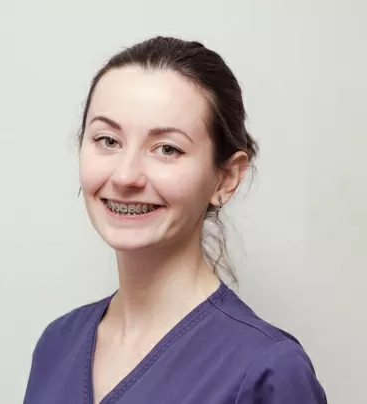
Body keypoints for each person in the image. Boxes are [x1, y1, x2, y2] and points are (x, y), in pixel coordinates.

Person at [23, 36, 327, 404]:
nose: (126, 176)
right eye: (108, 140)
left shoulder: (268, 370)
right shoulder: (57, 345)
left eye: (167, 148)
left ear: (226, 178)